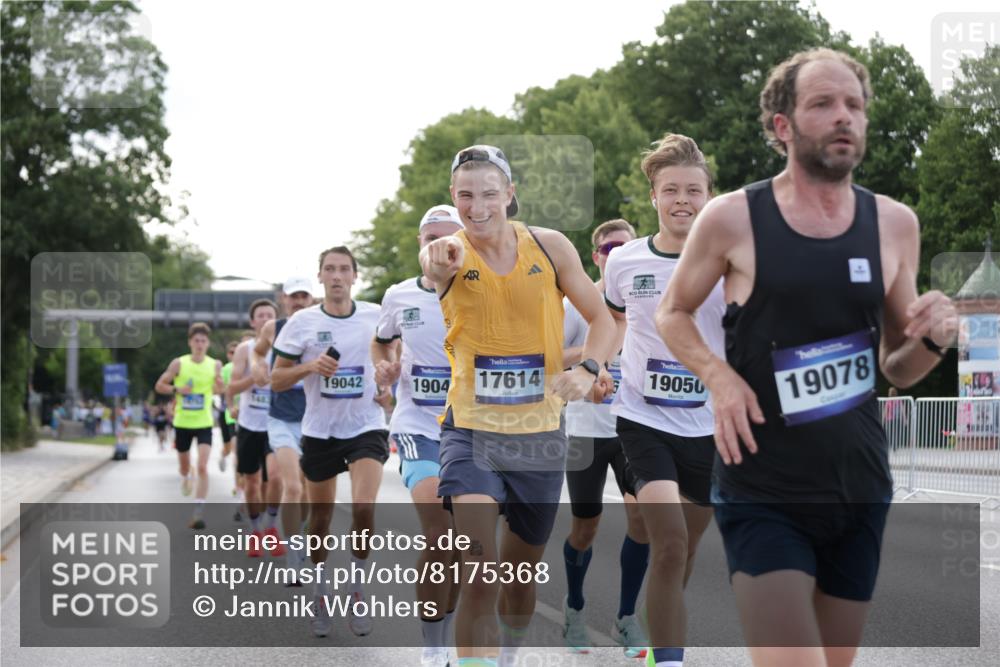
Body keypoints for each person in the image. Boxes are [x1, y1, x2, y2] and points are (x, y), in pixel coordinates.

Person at [657, 48, 958, 667]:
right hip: (762, 488)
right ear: (783, 125)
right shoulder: (732, 217)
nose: (844, 116)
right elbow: (672, 312)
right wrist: (719, 377)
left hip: (858, 487)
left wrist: (934, 339)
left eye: (854, 105)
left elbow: (896, 368)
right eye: (823, 103)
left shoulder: (894, 224)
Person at [420, 145, 617, 667]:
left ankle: (507, 657)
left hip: (539, 437)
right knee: (480, 571)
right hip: (470, 432)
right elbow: (433, 262)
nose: (477, 207)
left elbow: (603, 321)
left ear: (509, 193)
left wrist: (588, 368)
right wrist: (435, 258)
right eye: (466, 196)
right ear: (453, 197)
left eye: (489, 193)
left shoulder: (550, 247)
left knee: (518, 577)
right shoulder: (450, 252)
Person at [271, 245, 391, 639]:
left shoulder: (375, 315)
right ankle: (321, 594)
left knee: (364, 508)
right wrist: (310, 366)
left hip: (366, 426)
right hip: (320, 431)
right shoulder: (302, 323)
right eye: (330, 269)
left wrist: (388, 384)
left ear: (355, 276)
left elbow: (394, 353)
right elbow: (276, 379)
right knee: (320, 520)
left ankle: (356, 589)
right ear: (320, 276)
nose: (337, 276)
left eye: (344, 269)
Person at [372, 204, 464, 667]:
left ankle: (444, 632)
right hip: (418, 427)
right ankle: (432, 647)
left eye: (451, 239)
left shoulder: (483, 290)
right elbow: (380, 339)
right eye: (432, 238)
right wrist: (384, 367)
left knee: (464, 544)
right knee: (440, 531)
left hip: (471, 430)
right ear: (419, 244)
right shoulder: (399, 295)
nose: (441, 247)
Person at [559, 218, 651, 657]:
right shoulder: (579, 303)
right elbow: (550, 358)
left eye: (624, 247)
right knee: (585, 527)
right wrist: (592, 359)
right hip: (585, 430)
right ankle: (575, 608)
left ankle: (626, 618)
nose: (616, 254)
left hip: (636, 429)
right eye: (609, 248)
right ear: (596, 256)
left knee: (643, 520)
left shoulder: (649, 299)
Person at [251, 276, 315, 579]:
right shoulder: (272, 328)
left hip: (314, 420)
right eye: (293, 296)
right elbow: (257, 351)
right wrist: (257, 365)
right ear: (284, 300)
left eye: (304, 296)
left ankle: (298, 534)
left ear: (312, 299)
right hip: (281, 419)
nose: (299, 301)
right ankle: (292, 557)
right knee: (293, 486)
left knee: (307, 493)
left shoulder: (322, 325)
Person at [227, 299, 285, 558]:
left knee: (275, 477)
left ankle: (271, 527)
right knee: (251, 483)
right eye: (260, 315)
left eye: (269, 315)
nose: (264, 319)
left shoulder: (287, 345)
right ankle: (255, 531)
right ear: (252, 322)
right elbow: (233, 387)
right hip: (250, 424)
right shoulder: (245, 350)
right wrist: (256, 376)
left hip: (277, 422)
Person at [154, 322, 224, 529]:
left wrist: (220, 386)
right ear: (190, 343)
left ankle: (198, 511)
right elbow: (160, 385)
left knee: (203, 466)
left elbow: (219, 389)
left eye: (203, 341)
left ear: (208, 343)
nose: (200, 344)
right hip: (182, 423)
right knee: (184, 468)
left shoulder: (215, 365)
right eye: (196, 341)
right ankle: (187, 474)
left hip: (204, 423)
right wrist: (177, 389)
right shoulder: (179, 363)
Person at [218, 341, 239, 473]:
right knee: (228, 447)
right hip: (226, 412)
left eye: (237, 352)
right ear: (228, 355)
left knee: (236, 448)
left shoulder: (249, 366)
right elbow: (219, 388)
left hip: (242, 414)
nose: (234, 355)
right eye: (232, 352)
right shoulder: (225, 369)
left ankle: (239, 481)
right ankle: (223, 455)